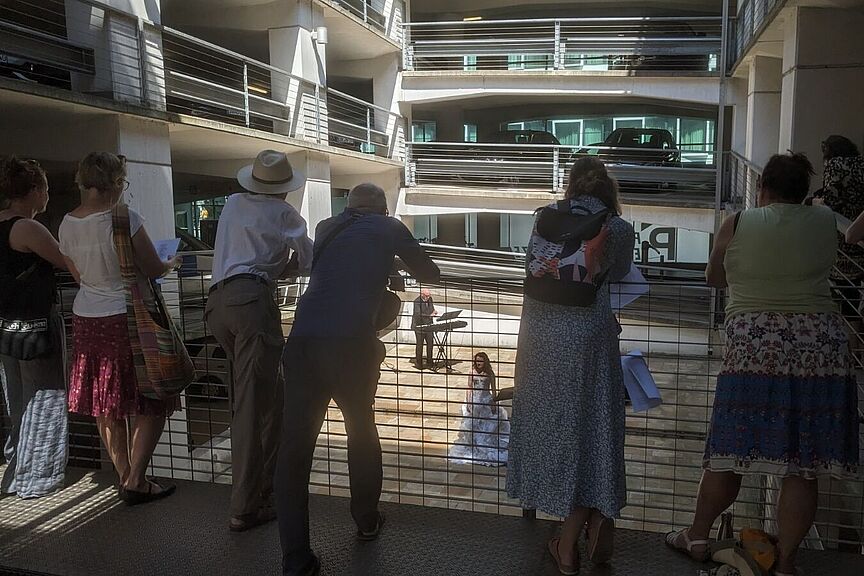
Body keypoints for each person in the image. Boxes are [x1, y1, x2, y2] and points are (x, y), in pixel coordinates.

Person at [665, 153, 859, 576]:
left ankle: (697, 534)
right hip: (819, 346)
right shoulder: (825, 220)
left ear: (763, 189)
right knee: (802, 466)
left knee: (729, 451)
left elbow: (714, 277)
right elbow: (851, 239)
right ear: (804, 194)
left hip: (755, 346)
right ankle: (786, 562)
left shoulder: (738, 222)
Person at [276, 183, 440, 576]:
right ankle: (366, 519)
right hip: (352, 347)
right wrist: (392, 268)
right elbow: (429, 272)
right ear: (382, 208)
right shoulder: (390, 227)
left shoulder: (328, 226)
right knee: (360, 430)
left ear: (349, 207)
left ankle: (296, 559)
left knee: (294, 451)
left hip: (302, 344)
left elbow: (333, 276)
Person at [506, 157, 634, 575]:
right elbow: (618, 273)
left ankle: (575, 527)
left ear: (570, 186)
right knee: (591, 426)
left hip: (539, 341)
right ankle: (574, 535)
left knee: (554, 429)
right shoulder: (617, 229)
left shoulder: (544, 220)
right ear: (607, 190)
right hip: (587, 342)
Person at [59, 152, 181, 505]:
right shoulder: (125, 218)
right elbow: (153, 268)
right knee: (150, 396)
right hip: (128, 318)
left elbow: (79, 276)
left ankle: (125, 474)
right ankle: (136, 479)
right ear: (115, 183)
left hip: (87, 320)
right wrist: (170, 262)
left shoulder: (66, 224)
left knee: (105, 400)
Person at [204, 149, 313, 532]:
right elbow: (308, 259)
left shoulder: (233, 203)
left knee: (272, 400)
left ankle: (266, 490)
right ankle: (245, 508)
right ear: (285, 189)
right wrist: (282, 266)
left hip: (217, 305)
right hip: (253, 304)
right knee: (252, 408)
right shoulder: (286, 215)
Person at [0, 157, 68, 498]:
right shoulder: (27, 228)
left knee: (17, 401)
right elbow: (67, 261)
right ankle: (34, 480)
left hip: (5, 329)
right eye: (46, 189)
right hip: (35, 325)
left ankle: (14, 474)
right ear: (35, 190)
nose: (47, 196)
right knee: (43, 397)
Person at [812, 135, 864, 319]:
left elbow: (831, 200)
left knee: (841, 295)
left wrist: (816, 202)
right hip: (859, 233)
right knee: (853, 294)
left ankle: (850, 340)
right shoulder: (860, 163)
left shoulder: (836, 165)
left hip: (842, 237)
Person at [448, 351, 509, 466]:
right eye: (477, 360)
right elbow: (469, 387)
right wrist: (468, 401)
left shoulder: (489, 373)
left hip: (486, 400)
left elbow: (494, 389)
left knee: (486, 426)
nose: (478, 363)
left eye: (481, 361)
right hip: (474, 401)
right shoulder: (472, 372)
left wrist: (494, 403)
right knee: (472, 425)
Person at [411, 288, 436, 368]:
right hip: (419, 326)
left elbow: (431, 308)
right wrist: (429, 315)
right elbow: (418, 314)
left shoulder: (430, 299)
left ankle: (430, 362)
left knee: (430, 343)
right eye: (426, 296)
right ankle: (419, 363)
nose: (428, 297)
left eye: (429, 296)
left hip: (428, 325)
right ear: (422, 294)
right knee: (420, 344)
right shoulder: (417, 301)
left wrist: (433, 312)